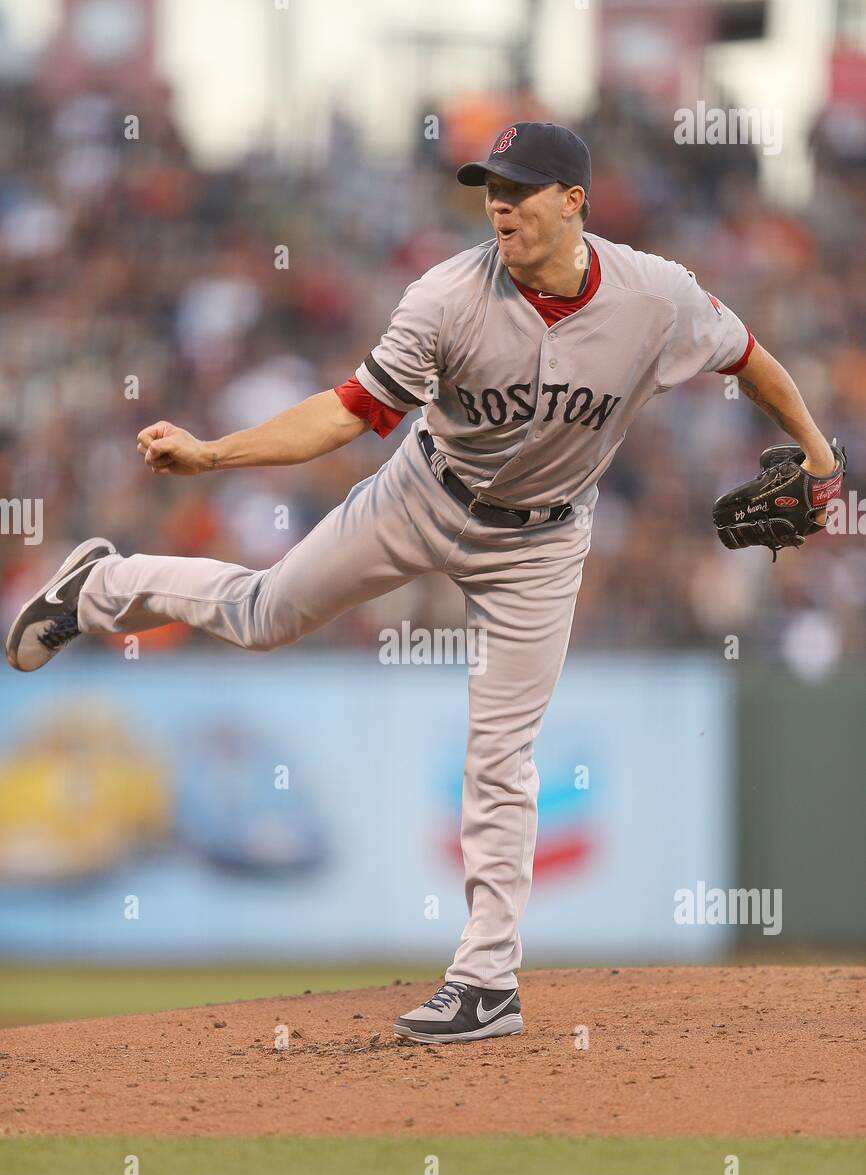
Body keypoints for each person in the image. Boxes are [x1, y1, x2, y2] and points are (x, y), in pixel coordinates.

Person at [6, 123, 840, 1045]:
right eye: (490, 186)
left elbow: (748, 358)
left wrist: (814, 451)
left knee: (500, 753)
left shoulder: (656, 294)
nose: (499, 204)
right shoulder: (446, 296)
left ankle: (486, 981)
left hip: (544, 541)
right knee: (264, 613)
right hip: (423, 493)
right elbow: (347, 413)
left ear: (575, 203)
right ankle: (102, 586)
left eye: (521, 188)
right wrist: (215, 454)